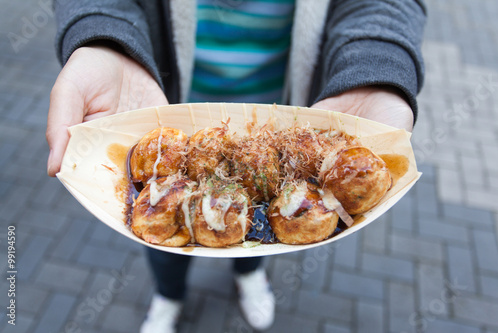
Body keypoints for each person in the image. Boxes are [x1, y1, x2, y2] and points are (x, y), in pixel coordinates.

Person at [47, 0, 426, 332]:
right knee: (161, 235)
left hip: (289, 116)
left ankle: (249, 275)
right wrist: (103, 36)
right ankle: (168, 297)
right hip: (160, 101)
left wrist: (378, 69)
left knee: (258, 226)